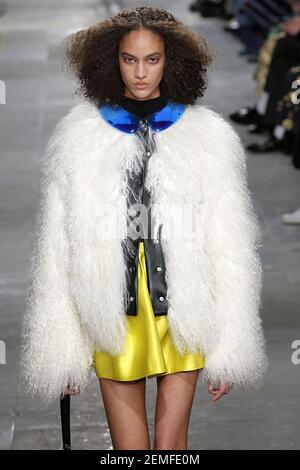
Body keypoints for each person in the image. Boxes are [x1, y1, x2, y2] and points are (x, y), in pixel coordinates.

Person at [20, 6, 268, 450]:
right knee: (128, 451)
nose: (140, 72)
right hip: (111, 306)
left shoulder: (206, 138)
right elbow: (57, 250)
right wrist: (62, 350)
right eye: (129, 59)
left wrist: (231, 346)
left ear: (170, 61)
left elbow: (231, 247)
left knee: (172, 447)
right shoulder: (79, 139)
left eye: (152, 59)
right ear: (111, 62)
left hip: (185, 304)